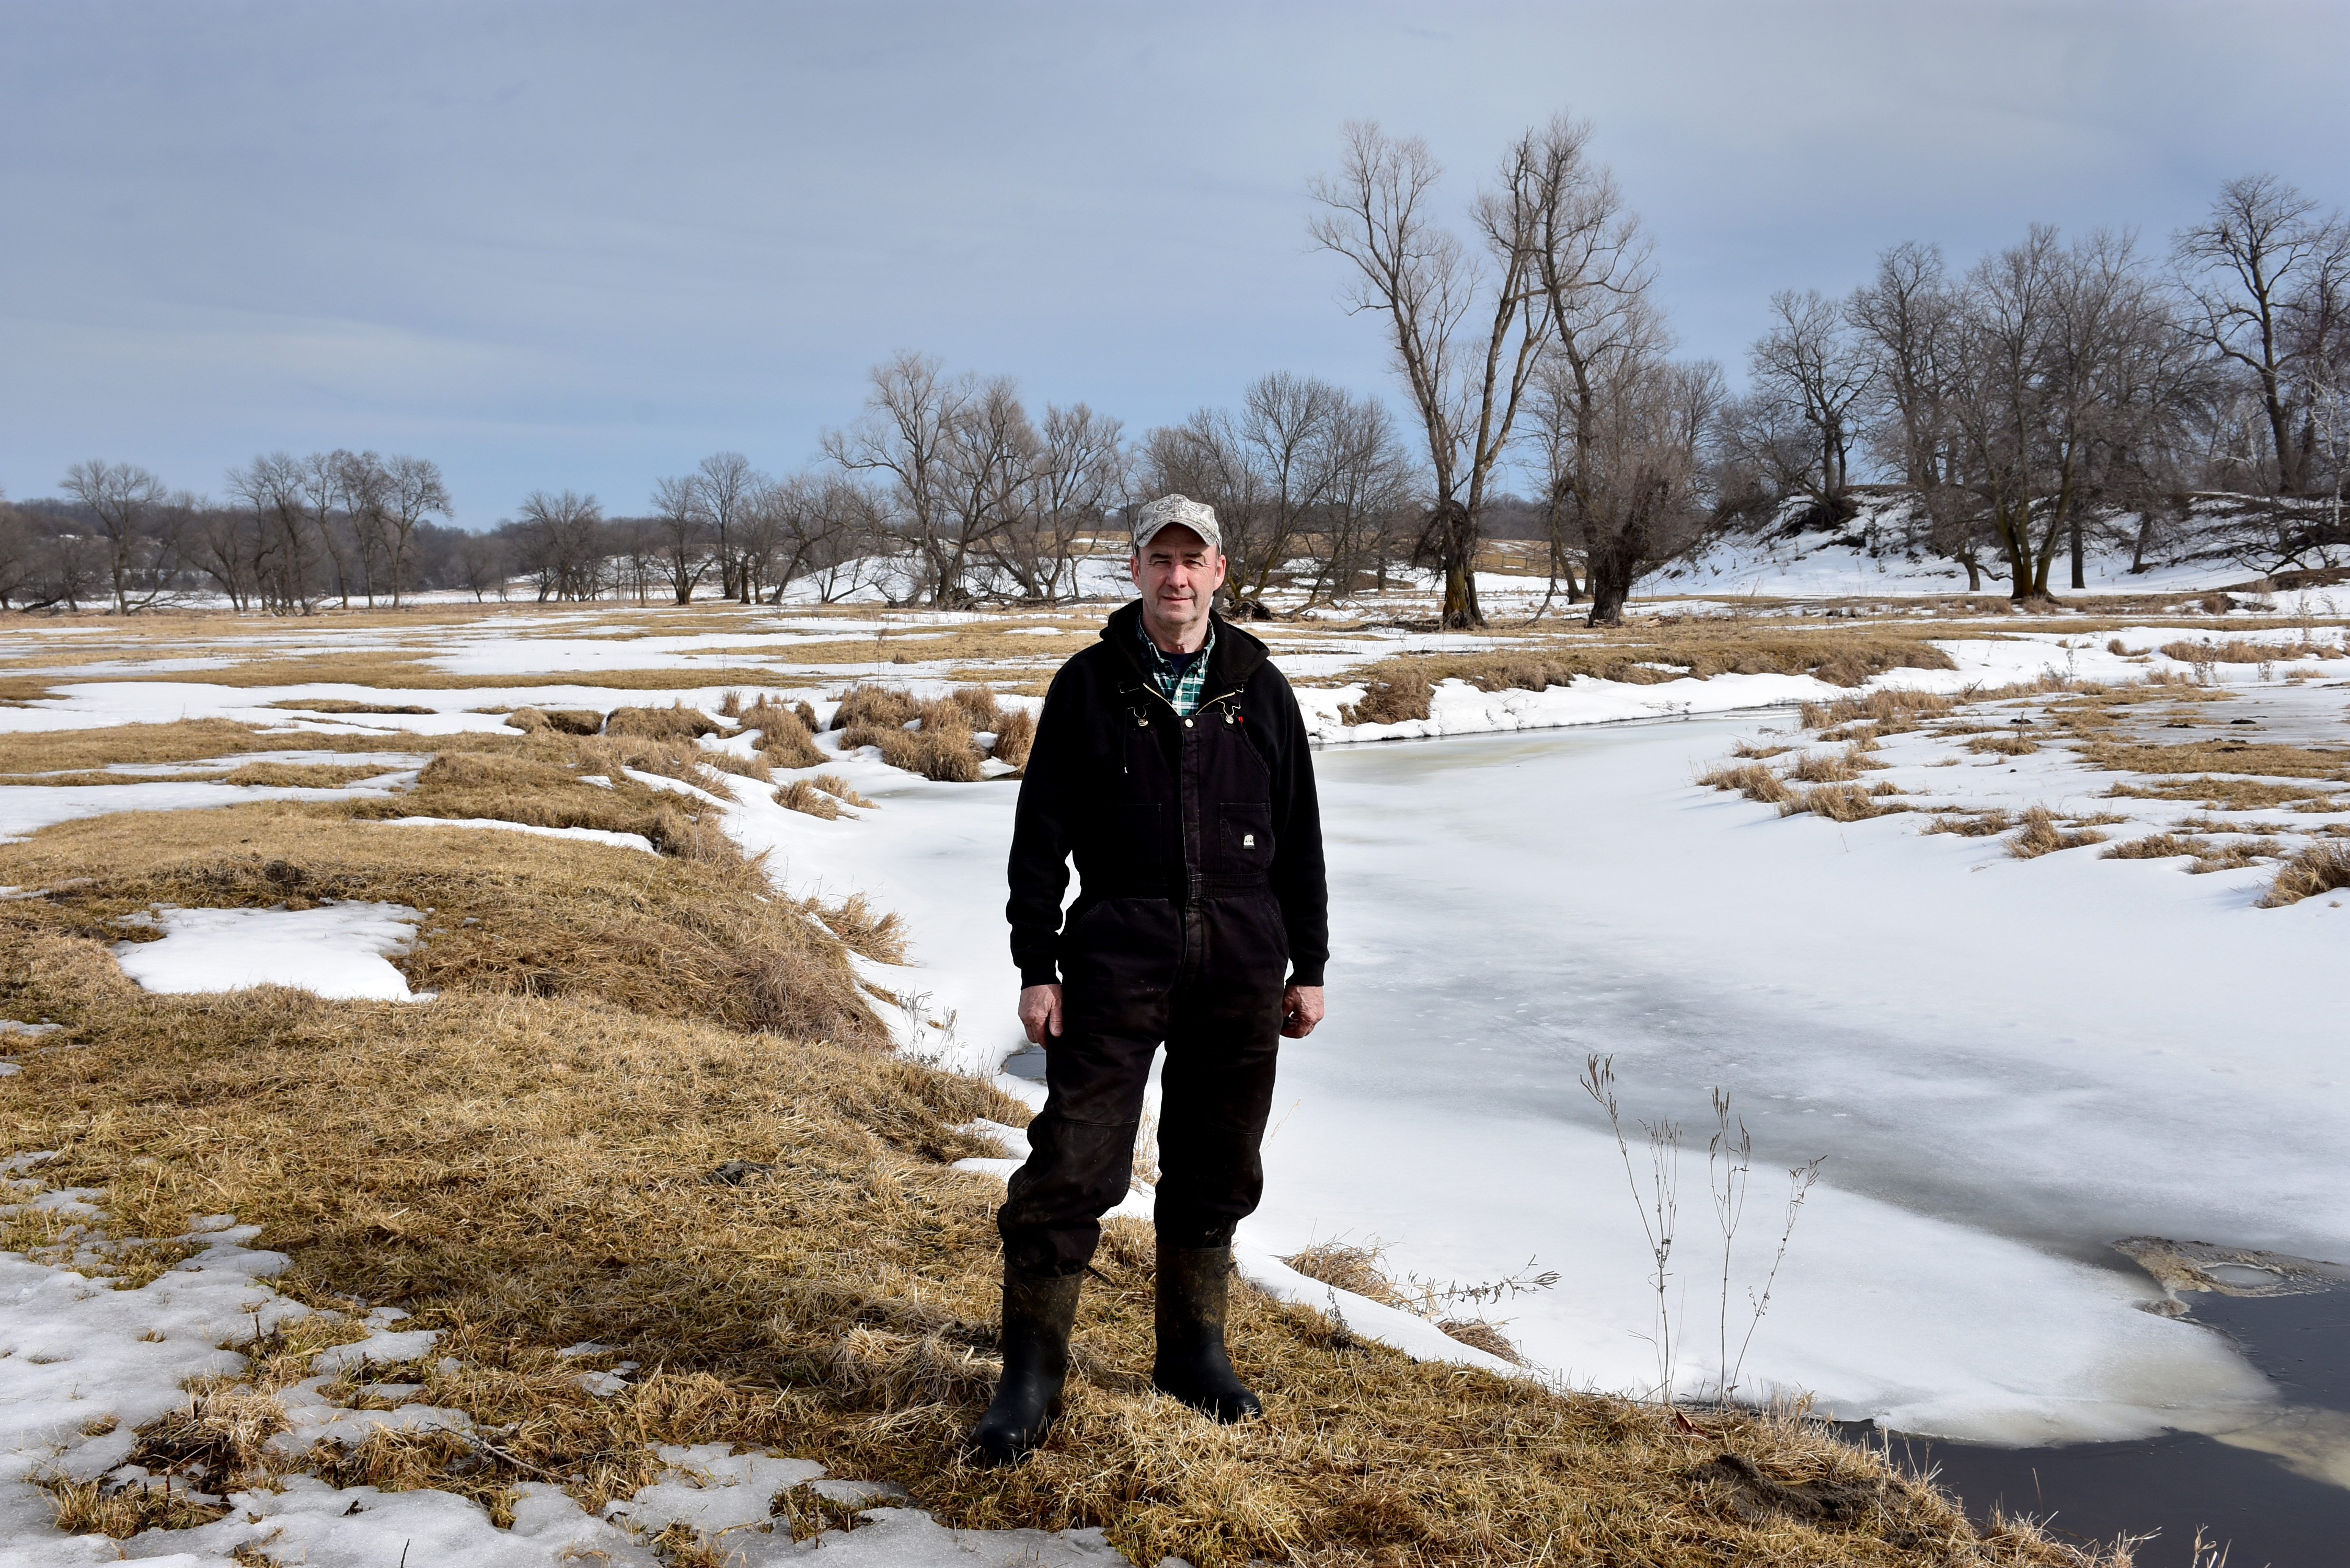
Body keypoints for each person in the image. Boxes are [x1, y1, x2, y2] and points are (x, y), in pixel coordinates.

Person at [972, 493, 1329, 1465]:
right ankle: (1032, 1378)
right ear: (1135, 572)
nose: (1177, 577)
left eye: (1194, 560)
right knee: (1073, 1164)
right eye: (1159, 559)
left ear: (1221, 572)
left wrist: (1311, 964)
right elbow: (1039, 840)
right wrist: (1036, 965)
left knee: (1217, 1163)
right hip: (1115, 953)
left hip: (1243, 958)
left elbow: (1299, 837)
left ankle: (1192, 1355)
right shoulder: (1090, 685)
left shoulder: (1260, 686)